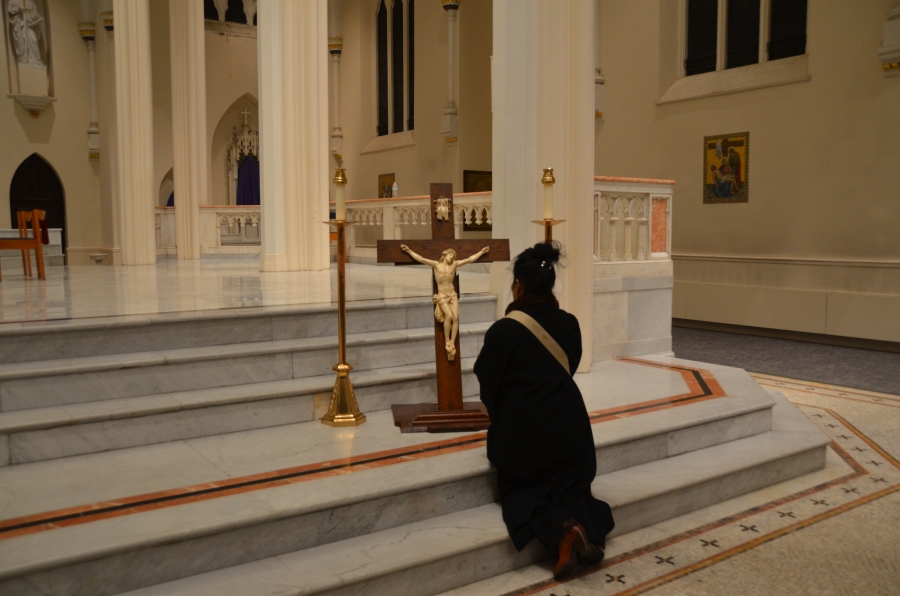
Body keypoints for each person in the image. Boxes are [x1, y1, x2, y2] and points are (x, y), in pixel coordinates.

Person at [474, 242, 614, 579]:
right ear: (550, 285)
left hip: (527, 433)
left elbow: (488, 385)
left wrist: (504, 419)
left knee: (521, 493)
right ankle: (587, 532)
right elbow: (570, 367)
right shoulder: (569, 323)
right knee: (572, 490)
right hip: (573, 433)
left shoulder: (503, 331)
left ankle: (565, 533)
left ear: (518, 286)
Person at [400, 244, 490, 360]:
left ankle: (452, 342)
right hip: (442, 295)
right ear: (445, 255)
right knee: (448, 316)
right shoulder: (436, 265)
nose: (452, 257)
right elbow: (421, 259)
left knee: (456, 317)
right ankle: (447, 340)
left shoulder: (455, 265)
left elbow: (470, 259)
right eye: (450, 254)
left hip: (452, 294)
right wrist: (409, 251)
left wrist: (481, 252)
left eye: (453, 255)